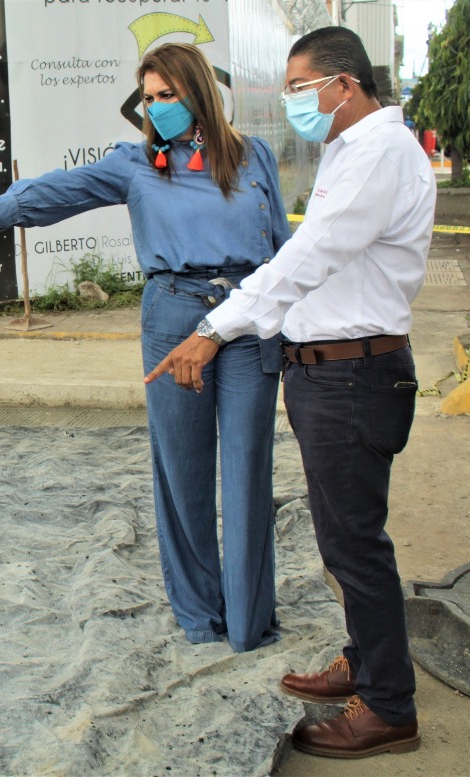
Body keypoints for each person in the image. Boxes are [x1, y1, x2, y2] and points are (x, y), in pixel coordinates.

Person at [0, 43, 291, 653]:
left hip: (247, 317)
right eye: (148, 98)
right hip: (174, 314)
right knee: (184, 473)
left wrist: (294, 326)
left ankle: (252, 623)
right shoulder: (137, 163)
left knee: (249, 469)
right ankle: (201, 616)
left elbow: (283, 248)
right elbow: (57, 192)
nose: (156, 108)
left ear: (199, 92)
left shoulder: (254, 157)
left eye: (167, 95)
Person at [146, 26, 436, 759]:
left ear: (345, 83)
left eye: (300, 87)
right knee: (346, 540)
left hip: (352, 375)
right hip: (331, 370)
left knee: (354, 546)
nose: (293, 101)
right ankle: (365, 664)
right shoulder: (351, 150)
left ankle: (389, 707)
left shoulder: (379, 153)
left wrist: (215, 326)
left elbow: (305, 256)